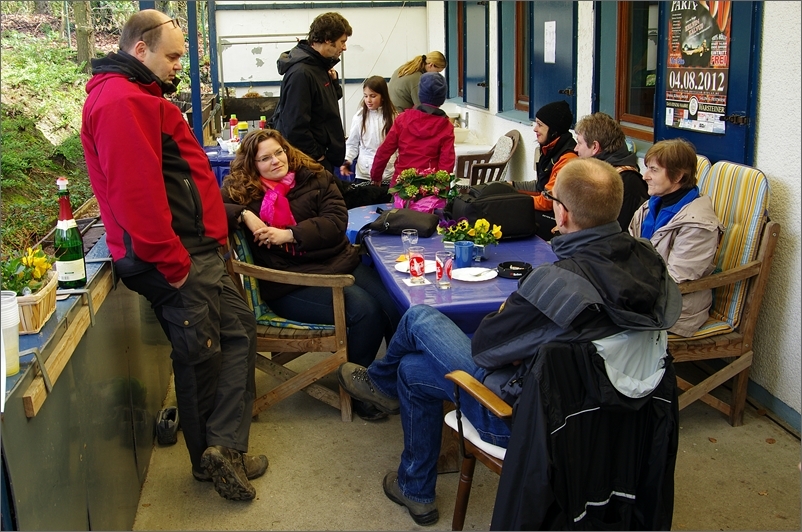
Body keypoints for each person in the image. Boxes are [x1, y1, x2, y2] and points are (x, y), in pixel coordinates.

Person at [337, 157, 682, 526]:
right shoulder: (650, 265)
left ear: (561, 215)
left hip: (532, 425)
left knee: (420, 318)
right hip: (623, 419)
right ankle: (411, 477)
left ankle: (392, 417)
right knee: (414, 369)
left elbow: (485, 349)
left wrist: (507, 309)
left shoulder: (558, 285)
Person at [80, 9, 265, 502]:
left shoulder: (139, 96)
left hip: (193, 248)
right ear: (139, 49)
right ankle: (211, 461)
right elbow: (134, 195)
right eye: (173, 55)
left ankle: (224, 448)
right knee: (201, 355)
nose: (178, 65)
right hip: (173, 256)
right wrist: (175, 265)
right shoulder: (121, 101)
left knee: (238, 330)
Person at [220, 128, 401, 421]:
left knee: (394, 306)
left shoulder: (315, 177)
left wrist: (288, 234)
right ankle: (360, 390)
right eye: (265, 158)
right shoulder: (244, 192)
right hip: (290, 283)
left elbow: (335, 221)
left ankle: (391, 382)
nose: (276, 161)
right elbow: (207, 207)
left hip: (340, 263)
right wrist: (244, 214)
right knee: (366, 312)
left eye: (279, 152)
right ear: (252, 166)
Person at [629, 138, 724, 337]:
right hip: (643, 294)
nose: (645, 176)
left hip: (674, 311)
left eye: (654, 170)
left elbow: (674, 279)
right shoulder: (650, 206)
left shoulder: (699, 223)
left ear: (678, 176)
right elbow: (628, 249)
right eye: (647, 168)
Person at [270, 12, 352, 174]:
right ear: (328, 40)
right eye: (342, 42)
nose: (344, 47)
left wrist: (333, 81)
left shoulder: (319, 67)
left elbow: (325, 103)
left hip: (319, 159)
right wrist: (318, 156)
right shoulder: (302, 73)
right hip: (310, 164)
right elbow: (294, 126)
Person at [370, 72, 455, 186]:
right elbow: (447, 162)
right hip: (430, 186)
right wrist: (442, 188)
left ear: (420, 94)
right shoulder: (446, 126)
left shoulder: (403, 120)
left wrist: (376, 176)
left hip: (402, 185)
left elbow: (384, 150)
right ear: (442, 98)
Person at [511, 100, 578, 240]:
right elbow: (540, 186)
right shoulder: (550, 149)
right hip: (549, 210)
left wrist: (514, 200)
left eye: (540, 125)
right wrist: (511, 187)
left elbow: (546, 202)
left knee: (512, 213)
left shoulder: (567, 158)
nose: (535, 129)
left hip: (559, 219)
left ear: (554, 130)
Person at [573, 112, 649, 230]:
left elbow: (620, 232)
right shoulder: (599, 172)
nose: (575, 148)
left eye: (579, 143)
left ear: (595, 147)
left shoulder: (626, 181)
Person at [341, 75, 398, 183]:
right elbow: (352, 144)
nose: (368, 100)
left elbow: (399, 147)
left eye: (373, 96)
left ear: (383, 96)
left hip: (388, 174)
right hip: (364, 174)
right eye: (365, 96)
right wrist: (347, 161)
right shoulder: (359, 117)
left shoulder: (394, 117)